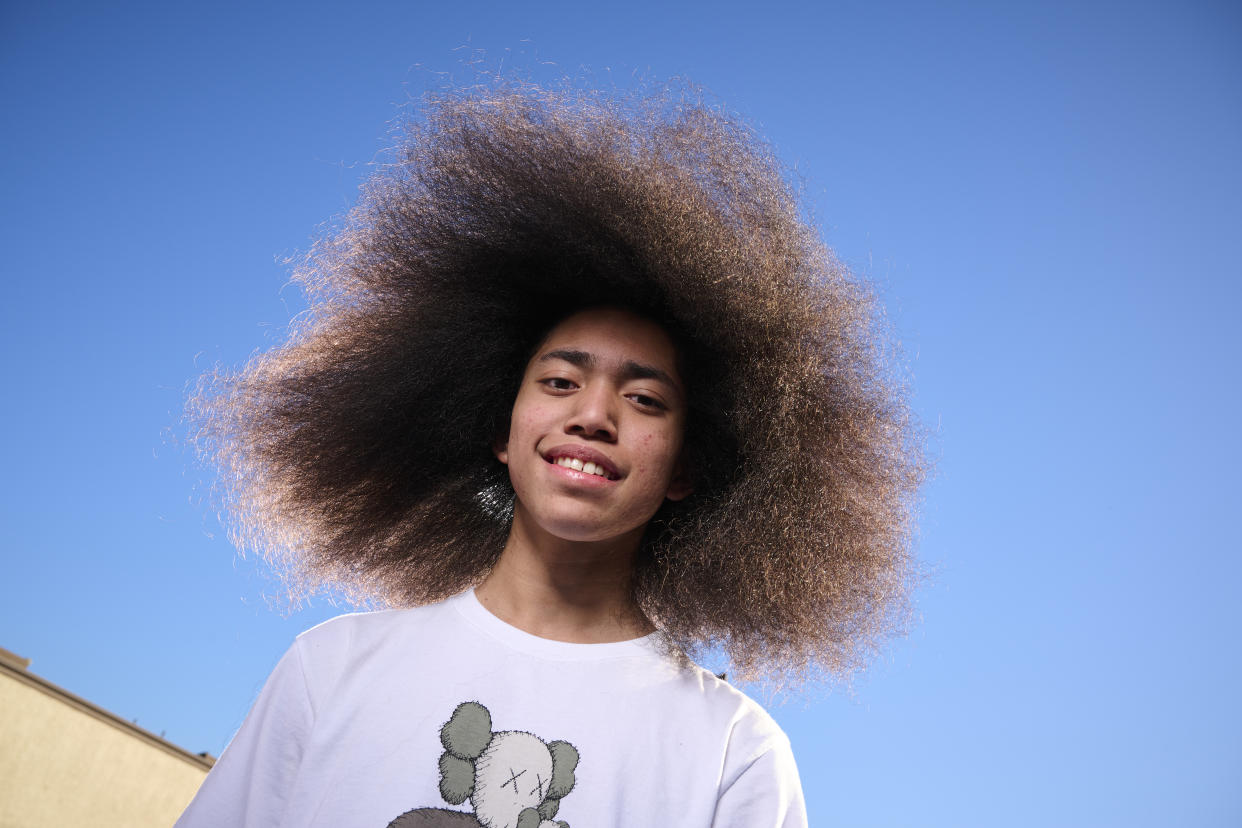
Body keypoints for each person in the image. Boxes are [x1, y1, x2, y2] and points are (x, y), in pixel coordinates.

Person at [178, 79, 925, 828]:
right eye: (561, 381)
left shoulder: (734, 753)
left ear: (686, 469)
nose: (593, 414)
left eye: (644, 400)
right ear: (500, 431)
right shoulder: (332, 670)